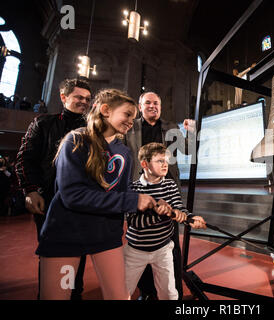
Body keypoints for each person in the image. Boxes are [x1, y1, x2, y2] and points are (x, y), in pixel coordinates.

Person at [35, 88, 157, 300]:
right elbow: (73, 195)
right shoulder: (76, 140)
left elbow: (123, 192)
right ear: (106, 110)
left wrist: (145, 203)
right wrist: (132, 200)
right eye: (127, 114)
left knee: (120, 296)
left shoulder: (125, 153)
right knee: (58, 297)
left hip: (106, 234)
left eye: (134, 117)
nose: (131, 121)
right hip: (67, 233)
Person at [15, 78, 92, 300]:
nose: (84, 102)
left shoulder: (92, 129)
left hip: (81, 203)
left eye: (87, 99)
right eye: (79, 97)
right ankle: (51, 295)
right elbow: (24, 159)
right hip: (48, 199)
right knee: (52, 253)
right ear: (63, 97)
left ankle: (74, 294)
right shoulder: (42, 123)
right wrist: (30, 190)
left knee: (79, 252)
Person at [125, 91, 195, 300]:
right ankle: (147, 292)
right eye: (148, 103)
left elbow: (188, 150)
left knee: (169, 244)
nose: (152, 106)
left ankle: (174, 292)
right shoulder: (131, 127)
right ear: (140, 106)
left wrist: (190, 132)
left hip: (166, 187)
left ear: (161, 107)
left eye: (156, 103)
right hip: (139, 189)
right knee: (140, 241)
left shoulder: (171, 127)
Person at [124, 142, 206, 299]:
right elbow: (135, 223)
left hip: (163, 249)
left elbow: (178, 207)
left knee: (169, 294)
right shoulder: (134, 189)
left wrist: (189, 218)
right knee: (123, 292)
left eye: (166, 160)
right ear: (144, 164)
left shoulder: (170, 185)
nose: (165, 165)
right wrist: (161, 213)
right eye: (159, 161)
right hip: (136, 250)